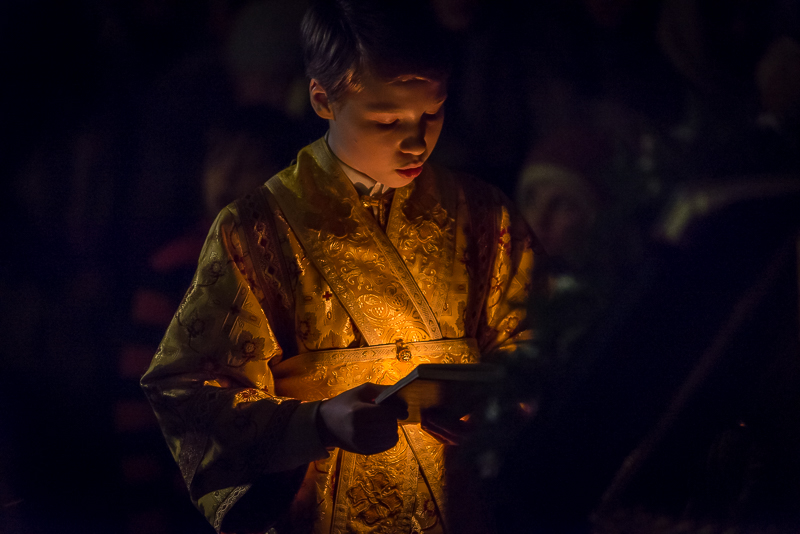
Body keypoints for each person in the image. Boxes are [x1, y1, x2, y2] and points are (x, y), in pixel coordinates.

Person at [140, 1, 540, 532]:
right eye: (387, 119)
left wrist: (491, 405)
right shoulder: (258, 230)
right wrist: (317, 421)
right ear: (323, 99)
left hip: (464, 505)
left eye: (432, 113)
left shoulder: (485, 216)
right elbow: (187, 384)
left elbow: (540, 346)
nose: (417, 140)